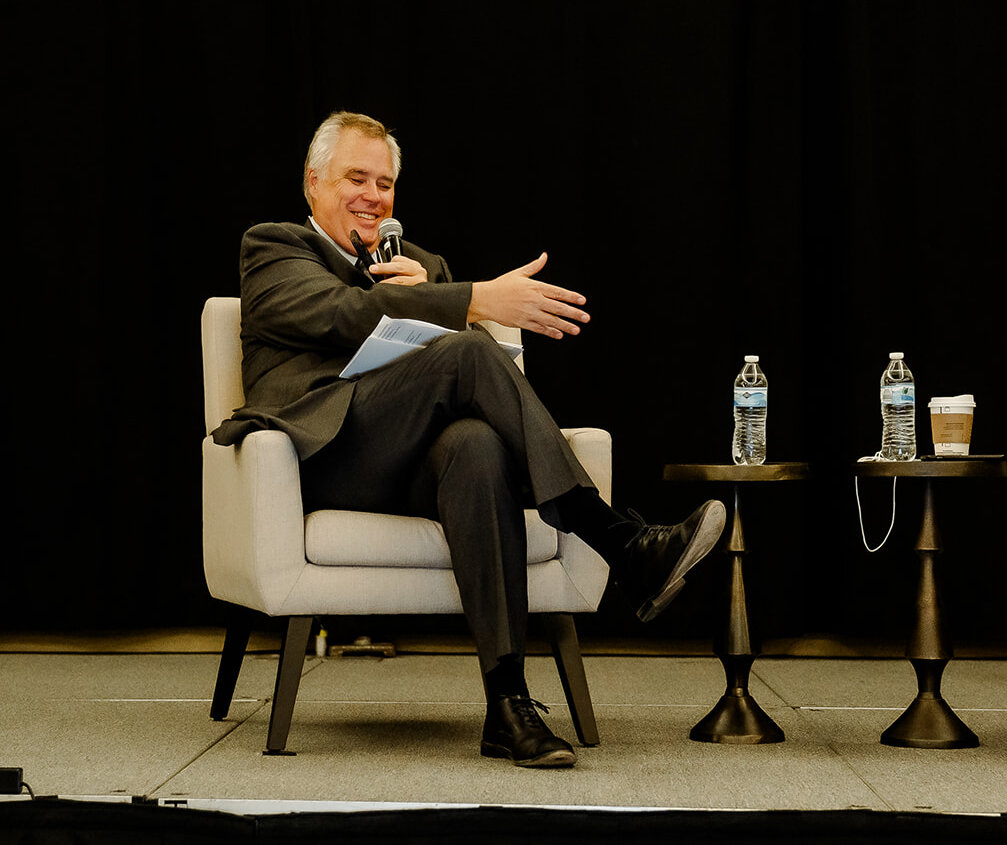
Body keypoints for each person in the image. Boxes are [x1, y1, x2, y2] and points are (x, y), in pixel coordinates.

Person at [212, 111, 727, 770]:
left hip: (415, 464)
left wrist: (438, 297)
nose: (374, 196)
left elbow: (474, 377)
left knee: (478, 447)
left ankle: (507, 705)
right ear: (313, 183)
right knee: (467, 358)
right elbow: (341, 316)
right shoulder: (274, 247)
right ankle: (622, 542)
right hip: (322, 457)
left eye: (386, 183)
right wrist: (471, 300)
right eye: (356, 179)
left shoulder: (421, 267)